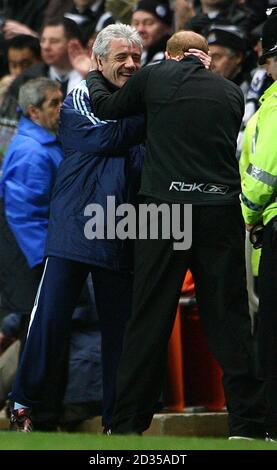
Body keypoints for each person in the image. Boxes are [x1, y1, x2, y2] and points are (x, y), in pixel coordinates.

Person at [87, 28, 266, 438]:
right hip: (220, 210)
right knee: (230, 319)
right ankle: (249, 424)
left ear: (170, 56)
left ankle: (127, 424)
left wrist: (95, 73)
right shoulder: (230, 92)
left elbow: (109, 108)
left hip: (164, 209)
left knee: (150, 315)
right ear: (205, 57)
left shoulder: (154, 75)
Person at [8, 24, 145, 433]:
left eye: (136, 57)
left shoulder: (139, 99)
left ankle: (116, 420)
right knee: (50, 319)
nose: (130, 64)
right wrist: (149, 117)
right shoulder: (81, 96)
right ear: (98, 60)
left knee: (120, 330)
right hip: (76, 225)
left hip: (122, 226)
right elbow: (107, 137)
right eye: (121, 57)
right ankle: (23, 404)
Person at [239, 13, 277, 441]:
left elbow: (265, 170)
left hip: (270, 224)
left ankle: (272, 424)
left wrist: (247, 211)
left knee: (270, 334)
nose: (266, 68)